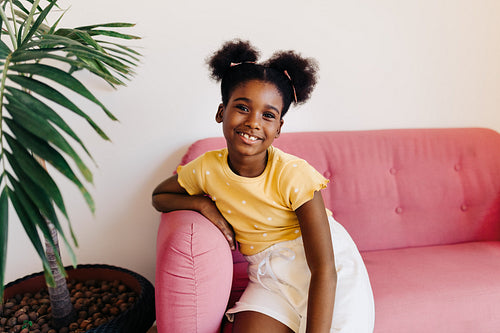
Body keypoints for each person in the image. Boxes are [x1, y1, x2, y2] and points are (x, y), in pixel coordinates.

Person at [152, 39, 375, 333]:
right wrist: (202, 204)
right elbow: (160, 196)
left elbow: (324, 269)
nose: (253, 122)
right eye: (242, 108)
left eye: (268, 115)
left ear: (279, 127)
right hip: (268, 275)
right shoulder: (206, 168)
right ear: (222, 112)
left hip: (326, 273)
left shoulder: (293, 174)